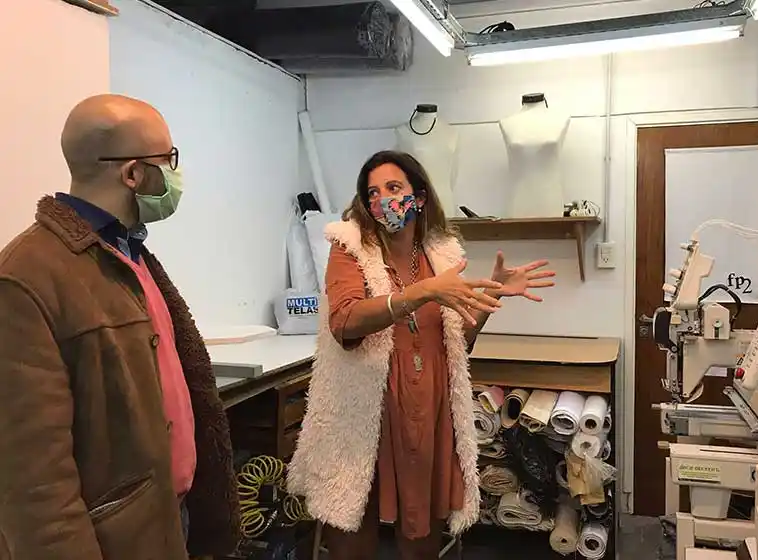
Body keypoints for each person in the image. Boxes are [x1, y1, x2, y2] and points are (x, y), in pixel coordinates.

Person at [0, 94, 240, 560]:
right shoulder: (27, 278)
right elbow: (34, 484)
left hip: (167, 518)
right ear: (132, 174)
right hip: (116, 538)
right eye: (168, 159)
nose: (174, 174)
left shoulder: (127, 255)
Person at [287, 150, 556, 559]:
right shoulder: (350, 247)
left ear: (420, 196)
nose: (383, 200)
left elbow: (456, 343)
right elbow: (344, 321)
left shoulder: (440, 254)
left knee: (421, 536)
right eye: (372, 192)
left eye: (394, 188)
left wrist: (492, 297)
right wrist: (421, 292)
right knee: (352, 533)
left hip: (426, 409)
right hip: (365, 414)